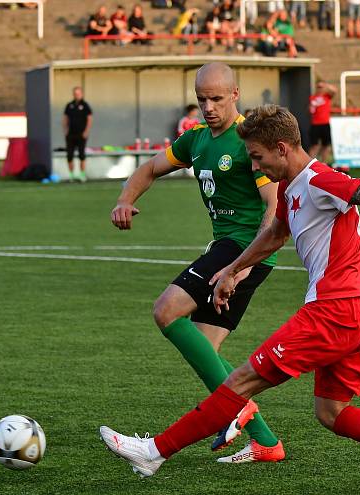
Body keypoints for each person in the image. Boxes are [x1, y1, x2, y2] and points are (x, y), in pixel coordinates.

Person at [100, 104, 360, 495]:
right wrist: (232, 269)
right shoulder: (288, 187)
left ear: (281, 148)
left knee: (240, 382)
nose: (253, 164)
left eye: (256, 156)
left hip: (334, 310)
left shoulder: (320, 179)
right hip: (358, 312)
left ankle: (153, 452)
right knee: (330, 413)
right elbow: (274, 235)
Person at [109, 63, 284, 463]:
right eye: (201, 99)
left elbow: (273, 206)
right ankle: (266, 442)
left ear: (236, 95)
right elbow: (151, 168)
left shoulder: (247, 143)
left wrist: (242, 265)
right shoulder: (197, 140)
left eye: (217, 99)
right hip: (232, 250)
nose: (208, 107)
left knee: (166, 311)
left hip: (242, 249)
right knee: (204, 350)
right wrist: (125, 200)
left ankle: (239, 410)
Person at [62, 86, 92, 182]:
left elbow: (89, 119)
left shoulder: (85, 105)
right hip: (71, 134)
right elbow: (65, 118)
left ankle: (82, 175)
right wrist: (65, 130)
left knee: (81, 154)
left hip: (81, 134)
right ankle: (71, 175)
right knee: (69, 155)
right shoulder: (69, 105)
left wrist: (86, 131)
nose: (76, 95)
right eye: (75, 94)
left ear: (81, 94)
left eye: (78, 94)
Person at [308, 80, 337, 163]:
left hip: (325, 123)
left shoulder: (327, 96)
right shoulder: (313, 98)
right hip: (315, 124)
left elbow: (334, 91)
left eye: (321, 87)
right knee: (315, 145)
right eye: (318, 87)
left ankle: (324, 163)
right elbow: (310, 110)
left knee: (326, 145)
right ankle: (310, 164)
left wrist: (326, 85)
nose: (320, 89)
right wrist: (311, 108)